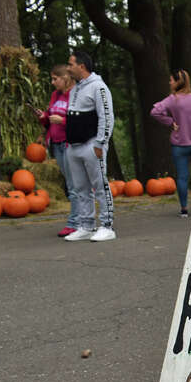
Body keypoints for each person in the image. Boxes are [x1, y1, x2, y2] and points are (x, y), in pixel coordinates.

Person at [64, 49, 116, 241]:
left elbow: (106, 116)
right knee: (80, 188)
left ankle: (107, 225)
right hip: (74, 146)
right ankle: (86, 225)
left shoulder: (99, 87)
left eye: (71, 64)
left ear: (82, 66)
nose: (68, 68)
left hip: (92, 144)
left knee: (100, 185)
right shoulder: (75, 89)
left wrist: (100, 142)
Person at [151, 68, 191, 217]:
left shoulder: (172, 100)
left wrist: (171, 122)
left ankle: (184, 209)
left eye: (171, 80)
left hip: (180, 145)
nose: (170, 82)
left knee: (182, 177)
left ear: (178, 82)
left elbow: (155, 112)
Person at [39, 64, 83, 237]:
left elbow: (80, 120)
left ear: (65, 78)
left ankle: (75, 223)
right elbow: (50, 118)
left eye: (55, 79)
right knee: (71, 183)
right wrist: (44, 118)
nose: (52, 82)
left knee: (73, 185)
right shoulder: (55, 95)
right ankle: (80, 219)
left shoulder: (76, 95)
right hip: (55, 143)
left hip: (68, 144)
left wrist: (63, 121)